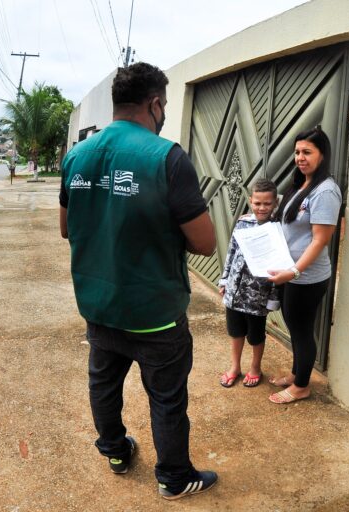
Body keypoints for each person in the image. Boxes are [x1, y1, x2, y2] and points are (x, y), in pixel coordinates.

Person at [59, 62, 219, 500]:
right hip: (155, 314)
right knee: (166, 398)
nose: (163, 113)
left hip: (99, 306)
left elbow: (66, 228)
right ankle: (173, 477)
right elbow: (205, 244)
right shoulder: (167, 157)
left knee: (104, 384)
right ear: (154, 104)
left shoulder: (76, 157)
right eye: (164, 105)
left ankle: (115, 451)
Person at [267, 126, 342, 404]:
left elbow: (320, 240)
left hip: (306, 277)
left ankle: (301, 386)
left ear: (322, 155)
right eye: (297, 152)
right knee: (293, 325)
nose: (300, 157)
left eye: (307, 152)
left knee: (301, 329)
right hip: (290, 272)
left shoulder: (325, 192)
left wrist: (295, 270)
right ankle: (297, 373)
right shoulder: (301, 185)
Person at [218, 178, 281, 388]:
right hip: (235, 291)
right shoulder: (243, 222)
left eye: (267, 203)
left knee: (255, 336)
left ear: (275, 204)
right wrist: (225, 279)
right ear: (250, 201)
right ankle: (234, 367)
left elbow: (280, 263)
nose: (261, 207)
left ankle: (255, 367)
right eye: (257, 203)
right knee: (235, 332)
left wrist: (273, 297)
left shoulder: (278, 228)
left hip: (258, 296)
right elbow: (231, 252)